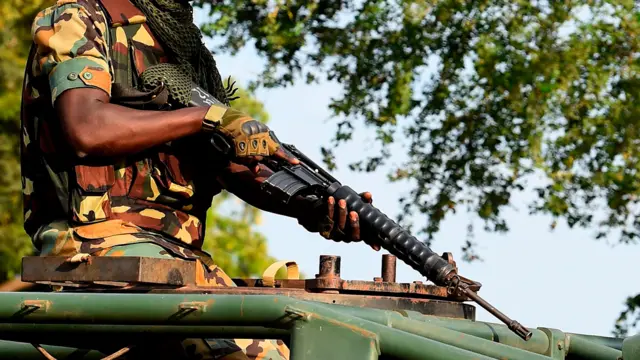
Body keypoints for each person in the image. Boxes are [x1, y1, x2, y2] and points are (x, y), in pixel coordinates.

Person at [20, 0, 379, 358]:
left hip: (179, 259)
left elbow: (225, 165)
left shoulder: (185, 49)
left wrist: (310, 207)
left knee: (305, 348)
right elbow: (87, 128)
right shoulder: (79, 16)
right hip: (98, 244)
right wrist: (206, 117)